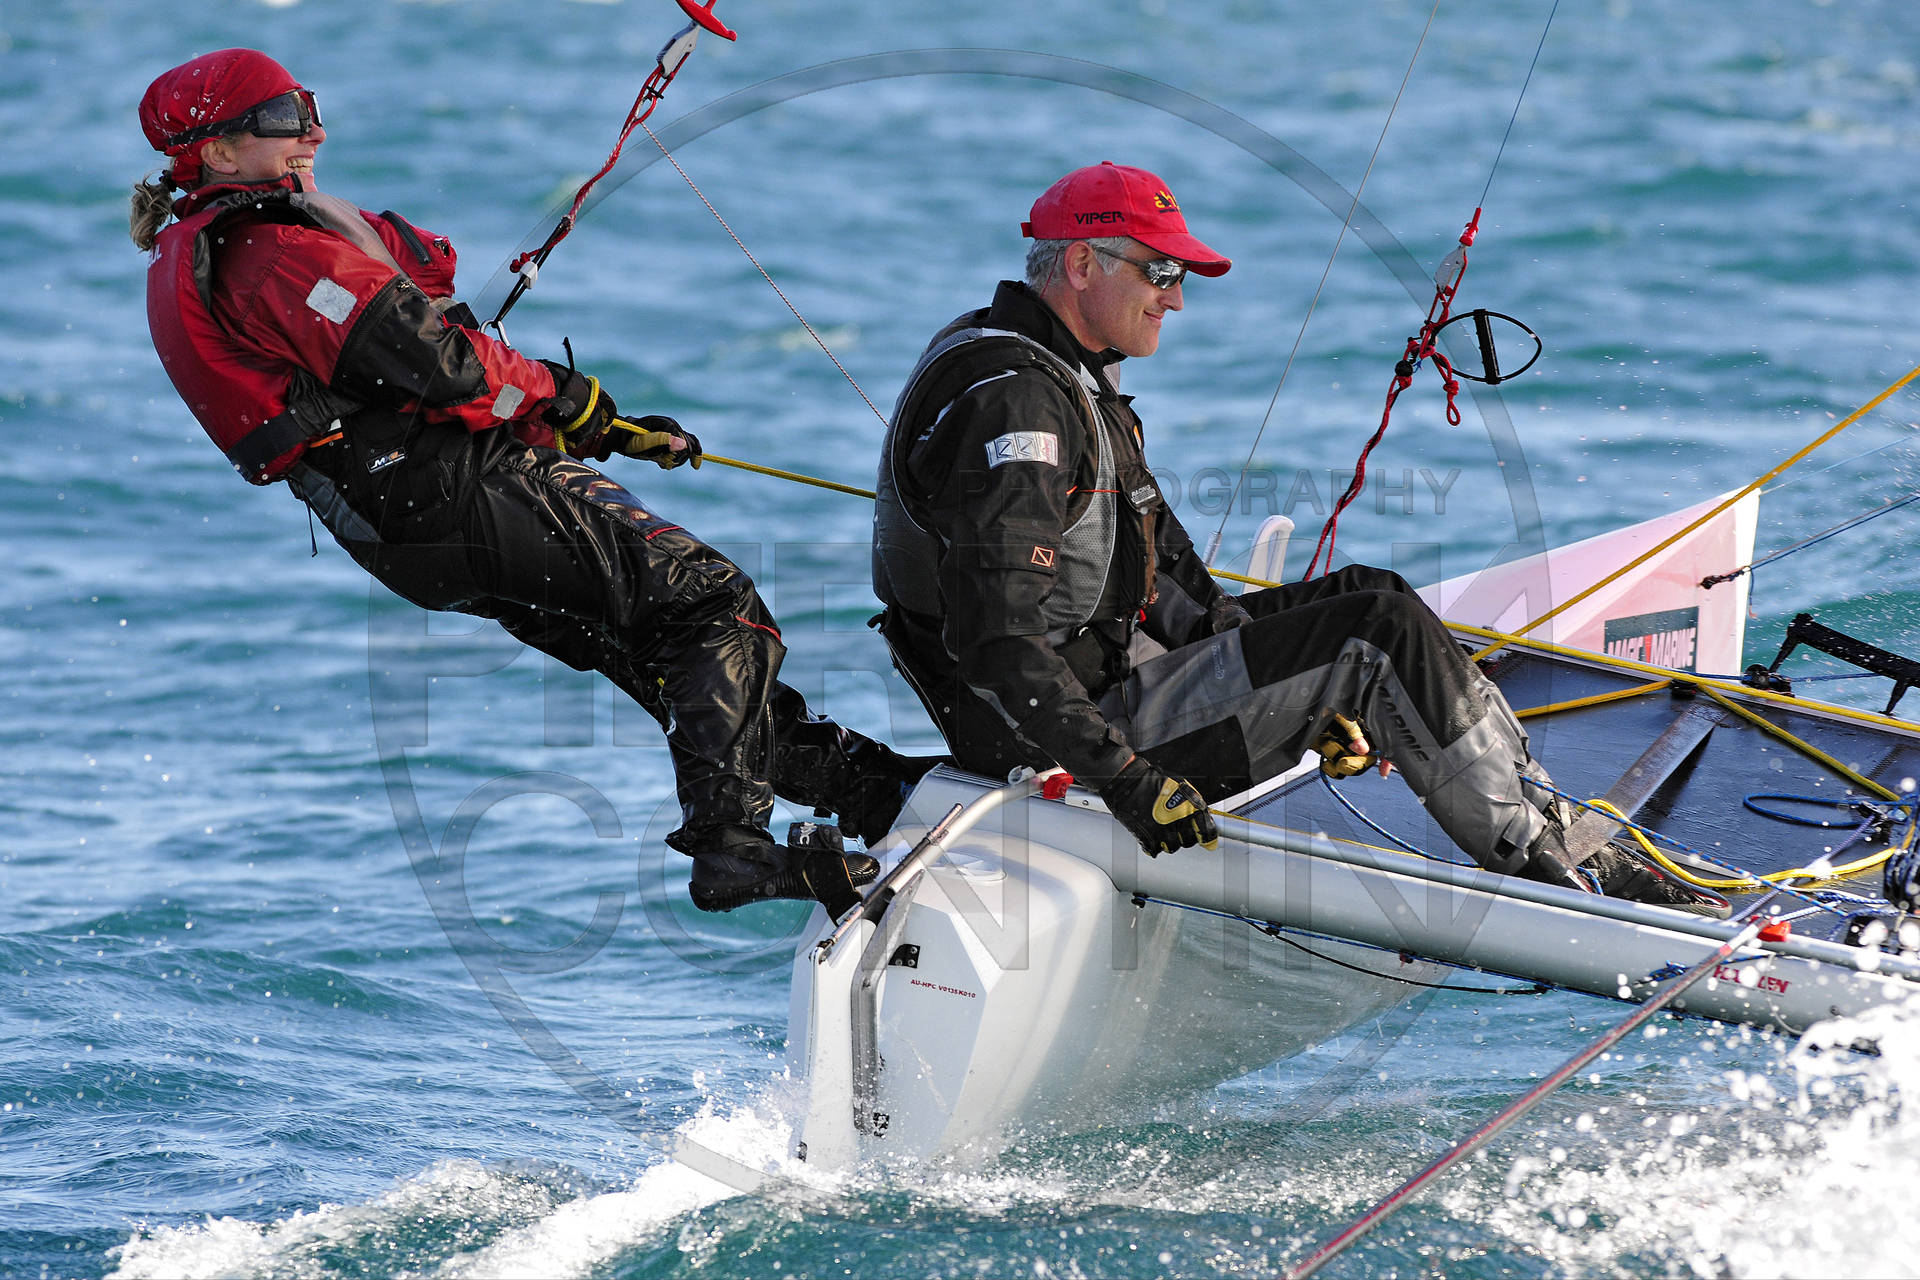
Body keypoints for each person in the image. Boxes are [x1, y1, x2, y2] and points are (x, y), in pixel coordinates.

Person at [133, 49, 937, 916]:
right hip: (450, 491)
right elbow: (439, 365)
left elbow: (408, 358)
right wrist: (566, 396)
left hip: (401, 526)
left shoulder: (243, 245)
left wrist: (591, 424)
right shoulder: (271, 257)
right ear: (218, 151)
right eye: (283, 118)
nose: (313, 132)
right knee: (711, 603)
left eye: (310, 107)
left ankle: (878, 795)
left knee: (672, 654)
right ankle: (730, 849)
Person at [870, 160, 1726, 914]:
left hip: (1096, 689)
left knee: (1375, 594)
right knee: (1376, 636)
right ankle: (1556, 873)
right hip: (1055, 740)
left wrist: (1295, 696)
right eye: (1160, 271)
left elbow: (1168, 577)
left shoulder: (1059, 370)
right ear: (1083, 264)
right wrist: (1126, 782)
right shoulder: (1018, 404)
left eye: (1181, 276)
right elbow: (996, 641)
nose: (1175, 296)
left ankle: (1547, 823)